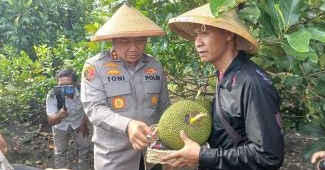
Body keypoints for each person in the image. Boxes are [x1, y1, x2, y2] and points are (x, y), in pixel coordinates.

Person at [162, 3, 284, 170]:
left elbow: (267, 156)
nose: (197, 42)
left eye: (205, 33)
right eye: (196, 35)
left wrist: (203, 156)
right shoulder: (224, 76)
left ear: (227, 34)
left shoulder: (252, 83)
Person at [80, 4, 170, 170]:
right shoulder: (95, 67)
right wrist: (128, 125)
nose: (134, 48)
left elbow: (164, 109)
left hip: (153, 156)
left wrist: (169, 147)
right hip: (115, 160)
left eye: (140, 40)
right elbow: (95, 109)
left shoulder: (155, 66)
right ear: (113, 40)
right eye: (125, 41)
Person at [46, 68, 91, 170]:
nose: (64, 88)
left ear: (75, 83)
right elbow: (50, 121)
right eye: (61, 85)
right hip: (60, 125)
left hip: (79, 121)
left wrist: (84, 124)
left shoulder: (84, 90)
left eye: (68, 85)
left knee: (84, 148)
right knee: (60, 152)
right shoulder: (53, 94)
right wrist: (59, 116)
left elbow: (90, 108)